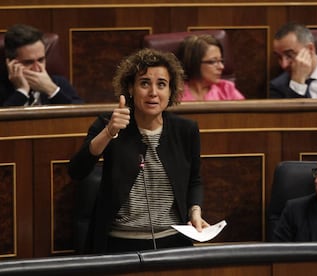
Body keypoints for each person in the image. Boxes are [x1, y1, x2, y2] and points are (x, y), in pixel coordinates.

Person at [68, 48, 209, 253]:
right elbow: (77, 170)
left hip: (173, 242)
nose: (153, 92)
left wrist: (195, 211)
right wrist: (108, 133)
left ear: (171, 91)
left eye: (161, 84)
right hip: (119, 243)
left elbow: (194, 181)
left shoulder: (185, 130)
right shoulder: (110, 123)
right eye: (144, 83)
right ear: (131, 89)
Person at [0, 24, 82, 106]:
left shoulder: (59, 83)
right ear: (10, 63)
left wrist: (52, 90)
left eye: (41, 60)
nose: (37, 69)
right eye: (28, 62)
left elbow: (82, 116)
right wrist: (22, 92)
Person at [176, 34, 245, 101]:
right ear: (194, 62)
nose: (221, 67)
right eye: (213, 62)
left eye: (221, 61)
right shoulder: (175, 93)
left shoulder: (226, 89)